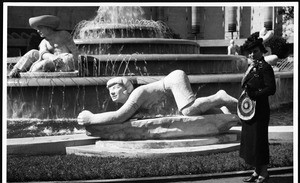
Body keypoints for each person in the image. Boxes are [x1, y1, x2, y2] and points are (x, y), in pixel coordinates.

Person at [77, 69, 238, 126]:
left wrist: (91, 118)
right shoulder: (134, 101)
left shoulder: (136, 95)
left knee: (188, 111)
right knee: (194, 112)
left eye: (116, 88)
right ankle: (221, 111)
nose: (112, 92)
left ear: (126, 90)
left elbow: (119, 116)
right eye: (110, 89)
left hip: (174, 80)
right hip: (172, 83)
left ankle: (219, 97)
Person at [239, 36, 276, 183]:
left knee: (259, 141)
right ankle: (256, 171)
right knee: (252, 141)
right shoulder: (252, 66)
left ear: (261, 51)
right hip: (250, 110)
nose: (252, 54)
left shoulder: (265, 68)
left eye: (255, 51)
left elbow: (271, 89)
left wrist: (256, 93)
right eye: (250, 52)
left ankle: (264, 174)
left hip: (260, 110)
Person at [8, 15, 79, 78]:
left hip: (63, 62)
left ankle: (35, 70)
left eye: (40, 28)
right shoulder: (43, 42)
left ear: (48, 27)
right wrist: (53, 57)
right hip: (50, 61)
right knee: (33, 52)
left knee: (66, 58)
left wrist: (77, 65)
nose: (38, 31)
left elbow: (75, 52)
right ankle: (16, 70)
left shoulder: (63, 35)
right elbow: (42, 53)